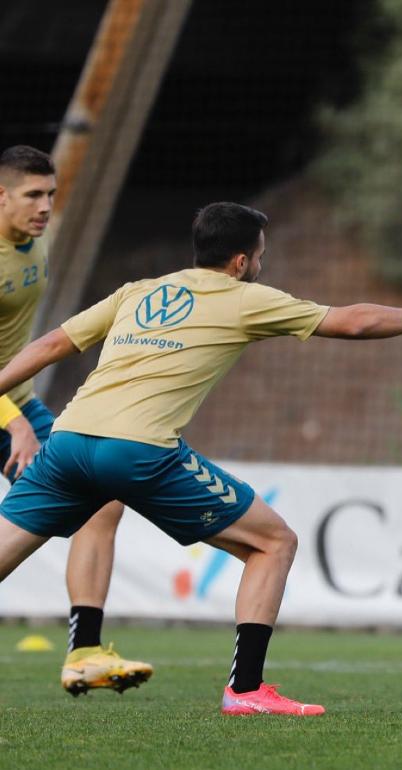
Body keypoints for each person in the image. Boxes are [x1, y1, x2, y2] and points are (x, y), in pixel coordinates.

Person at [0, 201, 402, 715]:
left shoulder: (138, 291)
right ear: (240, 262)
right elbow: (351, 323)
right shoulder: (242, 298)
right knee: (273, 542)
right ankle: (246, 689)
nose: (261, 264)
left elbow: (55, 343)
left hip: (69, 439)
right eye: (260, 255)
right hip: (139, 449)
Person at [0, 145, 150, 696]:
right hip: (8, 414)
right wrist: (13, 421)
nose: (44, 206)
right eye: (33, 195)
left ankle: (85, 652)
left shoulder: (31, 244)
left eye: (50, 194)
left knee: (102, 499)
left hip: (20, 406)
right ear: (1, 195)